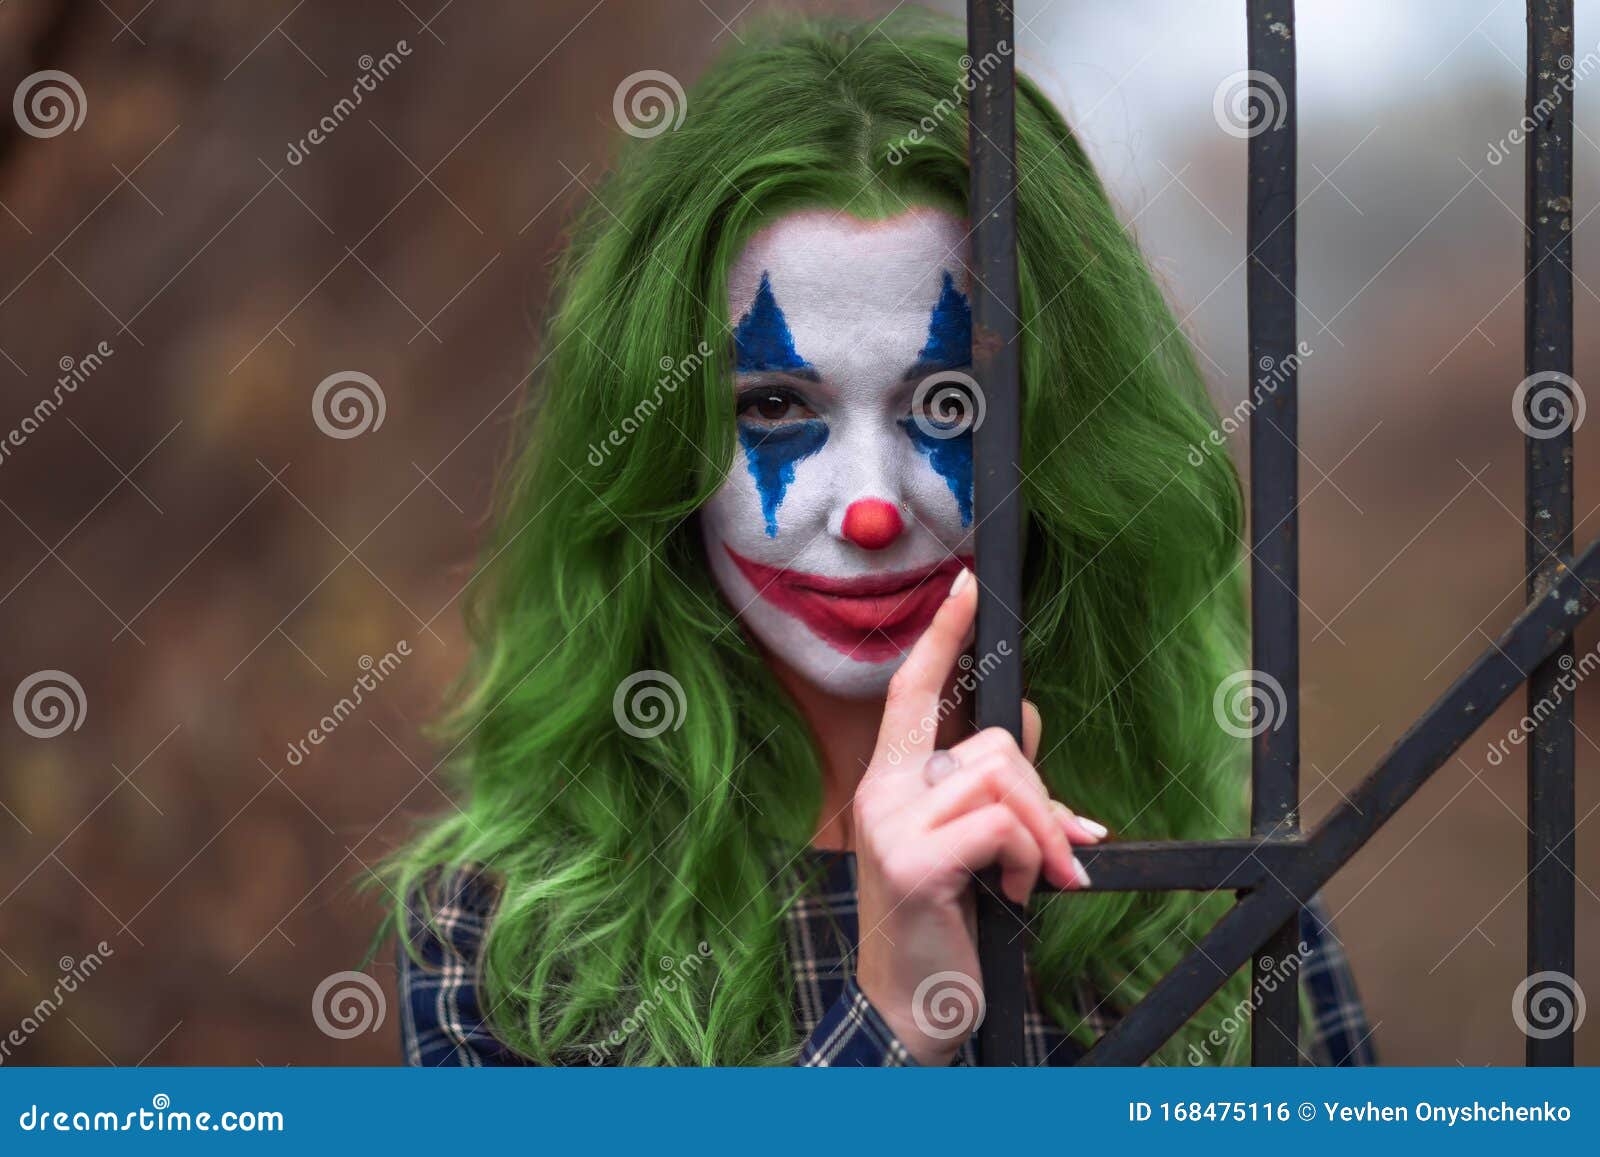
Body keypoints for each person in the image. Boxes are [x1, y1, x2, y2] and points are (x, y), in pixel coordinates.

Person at [388, 15, 1374, 1068]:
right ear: (658, 447)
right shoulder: (508, 938)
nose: (870, 508)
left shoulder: (1218, 895)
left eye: (945, 404)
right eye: (772, 405)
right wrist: (891, 1021)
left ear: (1061, 434)